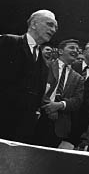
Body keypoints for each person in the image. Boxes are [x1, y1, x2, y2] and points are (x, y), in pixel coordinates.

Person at [0, 9, 58, 143]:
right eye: (50, 24)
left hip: (19, 131)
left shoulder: (43, 62)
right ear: (34, 24)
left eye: (55, 27)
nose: (54, 29)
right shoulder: (8, 42)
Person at [35, 39, 85, 148]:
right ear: (61, 51)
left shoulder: (78, 78)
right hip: (38, 116)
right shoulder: (46, 66)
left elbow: (77, 101)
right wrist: (49, 106)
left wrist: (59, 105)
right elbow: (37, 88)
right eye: (72, 47)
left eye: (77, 49)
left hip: (59, 124)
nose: (75, 51)